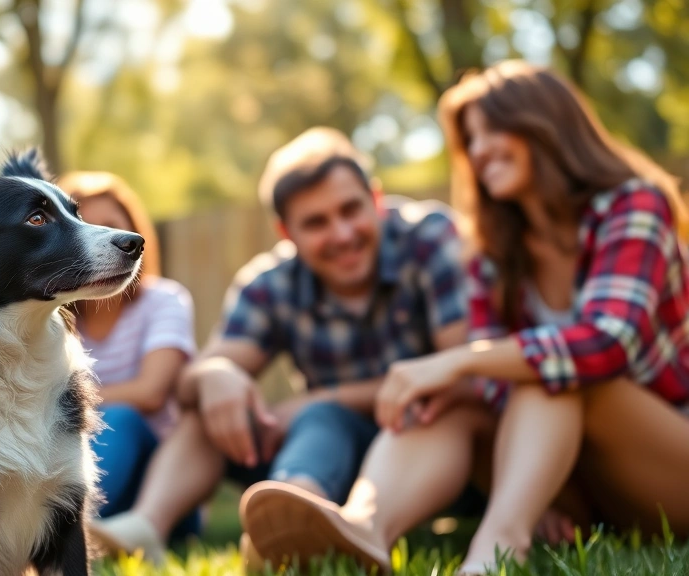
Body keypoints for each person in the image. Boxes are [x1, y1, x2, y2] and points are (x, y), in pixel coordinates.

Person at [240, 61, 689, 574]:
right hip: (581, 482)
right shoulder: (493, 246)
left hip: (669, 463)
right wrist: (460, 386)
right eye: (471, 140)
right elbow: (497, 390)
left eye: (494, 131)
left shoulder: (632, 206)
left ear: (546, 124)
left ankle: (496, 550)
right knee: (444, 401)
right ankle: (365, 525)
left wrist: (458, 362)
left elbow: (607, 344)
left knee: (552, 371)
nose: (479, 151)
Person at [87, 127, 470, 565]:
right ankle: (147, 526)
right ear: (286, 231)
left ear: (376, 201)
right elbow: (193, 380)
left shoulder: (429, 239)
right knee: (214, 402)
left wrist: (324, 400)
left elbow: (459, 371)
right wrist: (218, 376)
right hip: (325, 450)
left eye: (351, 210)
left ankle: (285, 527)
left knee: (325, 414)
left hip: (424, 442)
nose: (342, 233)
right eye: (316, 223)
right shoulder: (269, 282)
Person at [56, 172, 199, 536]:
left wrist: (60, 401)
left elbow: (150, 394)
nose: (102, 239)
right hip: (79, 468)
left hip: (160, 484)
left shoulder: (164, 301)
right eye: (85, 225)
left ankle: (69, 537)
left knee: (122, 417)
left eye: (112, 226)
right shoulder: (55, 319)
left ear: (134, 235)